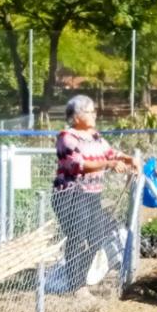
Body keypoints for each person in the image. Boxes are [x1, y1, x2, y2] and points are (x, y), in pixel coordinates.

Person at [52, 95, 138, 293]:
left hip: (91, 195)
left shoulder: (94, 136)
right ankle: (76, 285)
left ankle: (80, 277)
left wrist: (128, 158)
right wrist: (109, 164)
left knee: (97, 237)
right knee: (77, 238)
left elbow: (110, 153)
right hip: (70, 195)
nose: (94, 115)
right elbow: (76, 165)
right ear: (77, 116)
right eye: (90, 112)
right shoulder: (66, 137)